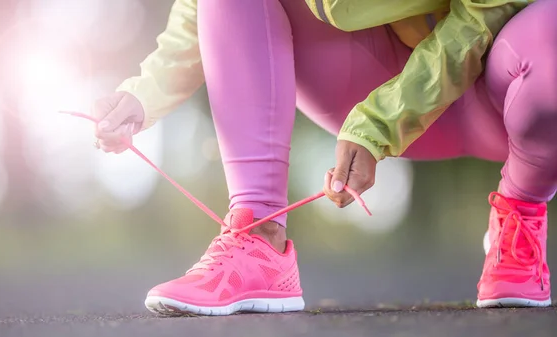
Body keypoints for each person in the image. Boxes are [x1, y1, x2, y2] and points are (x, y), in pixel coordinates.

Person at [92, 0, 555, 315]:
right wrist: (144, 95)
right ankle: (259, 238)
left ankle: (522, 214)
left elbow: (485, 14)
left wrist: (381, 122)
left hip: (504, 84)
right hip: (359, 70)